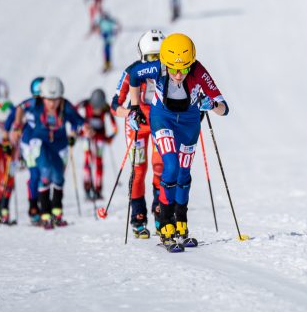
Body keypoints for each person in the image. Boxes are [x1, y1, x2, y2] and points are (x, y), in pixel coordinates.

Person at [126, 33, 228, 250]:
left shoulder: (198, 70)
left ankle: (181, 224)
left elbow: (224, 108)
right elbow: (133, 75)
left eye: (184, 68)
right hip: (162, 117)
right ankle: (165, 225)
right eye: (173, 68)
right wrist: (134, 108)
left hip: (189, 121)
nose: (179, 74)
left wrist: (211, 105)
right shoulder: (156, 67)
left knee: (184, 173)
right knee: (170, 166)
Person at [8, 76, 86, 229]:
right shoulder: (35, 103)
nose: (52, 103)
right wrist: (17, 126)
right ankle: (44, 214)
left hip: (59, 145)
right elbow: (20, 108)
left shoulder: (65, 106)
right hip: (40, 142)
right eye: (49, 99)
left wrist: (81, 131)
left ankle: (57, 213)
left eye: (56, 99)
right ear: (43, 97)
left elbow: (79, 121)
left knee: (58, 177)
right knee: (44, 174)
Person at [111, 29, 167, 239]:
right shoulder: (132, 71)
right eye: (151, 58)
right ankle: (138, 216)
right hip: (137, 125)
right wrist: (129, 113)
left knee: (161, 166)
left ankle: (161, 211)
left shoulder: (167, 70)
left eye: (159, 57)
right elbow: (114, 104)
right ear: (142, 56)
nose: (155, 63)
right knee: (139, 168)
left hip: (159, 123)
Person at [5, 76, 44, 224]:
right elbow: (12, 117)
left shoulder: (51, 103)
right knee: (35, 174)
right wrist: (10, 132)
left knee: (46, 174)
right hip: (30, 144)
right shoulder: (29, 103)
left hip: (45, 143)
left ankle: (45, 206)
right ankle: (34, 207)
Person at [77, 88, 117, 200]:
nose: (97, 110)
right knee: (87, 160)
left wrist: (110, 137)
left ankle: (98, 189)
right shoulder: (85, 105)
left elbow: (115, 128)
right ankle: (87, 187)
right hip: (87, 137)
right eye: (95, 107)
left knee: (99, 162)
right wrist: (79, 133)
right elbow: (74, 115)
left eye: (99, 108)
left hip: (100, 138)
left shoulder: (106, 108)